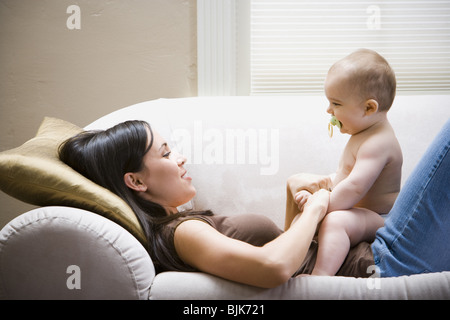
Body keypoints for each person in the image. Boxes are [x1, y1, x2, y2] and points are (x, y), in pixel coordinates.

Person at [59, 117, 450, 287]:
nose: (179, 157)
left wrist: (293, 199)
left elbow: (286, 251)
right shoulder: (181, 233)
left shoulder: (186, 224)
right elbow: (274, 266)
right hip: (380, 266)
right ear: (136, 181)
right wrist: (316, 209)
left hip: (372, 257)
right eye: (164, 153)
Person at [292, 49, 403, 276]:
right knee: (301, 220)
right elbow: (345, 176)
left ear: (369, 108)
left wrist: (320, 206)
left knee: (335, 222)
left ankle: (321, 277)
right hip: (357, 211)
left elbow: (355, 187)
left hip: (380, 219)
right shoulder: (363, 133)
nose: (329, 110)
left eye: (336, 103)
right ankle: (293, 266)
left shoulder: (378, 142)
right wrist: (321, 191)